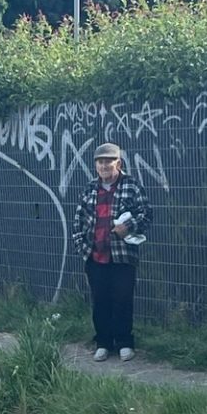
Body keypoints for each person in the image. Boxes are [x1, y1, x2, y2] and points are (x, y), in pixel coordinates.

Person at [72, 143, 151, 362]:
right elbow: (78, 220)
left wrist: (130, 226)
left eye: (109, 161)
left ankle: (124, 342)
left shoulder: (132, 185)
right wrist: (82, 247)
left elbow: (147, 215)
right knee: (100, 300)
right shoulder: (89, 188)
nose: (104, 165)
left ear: (119, 163)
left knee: (123, 299)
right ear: (95, 165)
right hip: (95, 255)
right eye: (100, 161)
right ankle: (103, 343)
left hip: (123, 254)